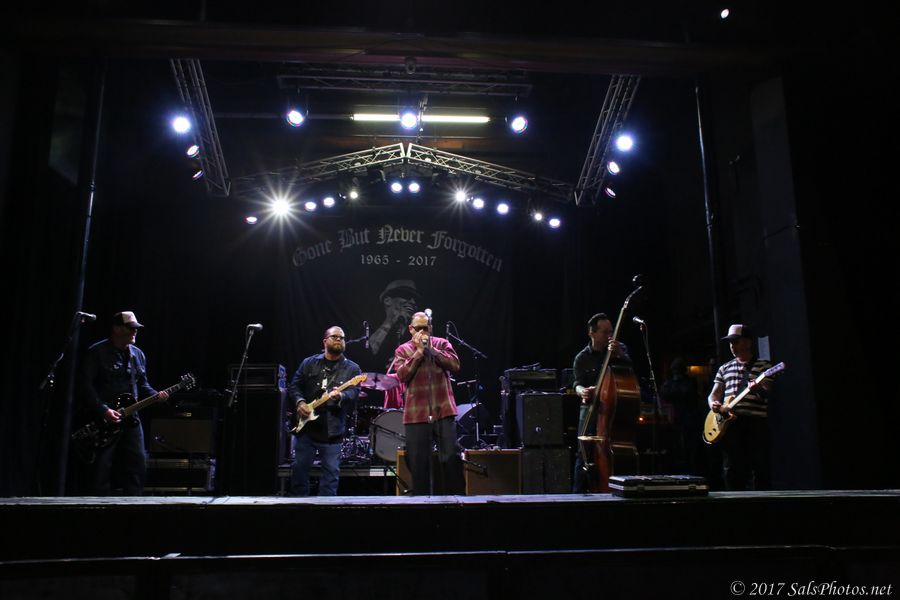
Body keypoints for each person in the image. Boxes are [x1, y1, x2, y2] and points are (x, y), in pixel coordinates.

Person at [79, 311, 168, 495]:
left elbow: (143, 384)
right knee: (101, 469)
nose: (135, 332)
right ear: (117, 329)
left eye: (136, 328)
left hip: (131, 418)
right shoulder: (97, 352)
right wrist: (104, 410)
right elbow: (85, 386)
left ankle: (134, 506)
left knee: (137, 465)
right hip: (105, 420)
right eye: (131, 328)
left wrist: (157, 395)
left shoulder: (138, 355)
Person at [392, 311, 464, 495]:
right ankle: (421, 501)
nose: (422, 332)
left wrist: (432, 350)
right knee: (418, 462)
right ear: (411, 329)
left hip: (443, 409)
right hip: (416, 413)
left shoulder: (442, 343)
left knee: (451, 456)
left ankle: (458, 499)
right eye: (418, 328)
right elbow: (402, 375)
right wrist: (418, 353)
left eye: (425, 328)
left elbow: (455, 365)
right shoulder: (402, 350)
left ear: (430, 328)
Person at [288, 326, 362, 496]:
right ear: (325, 341)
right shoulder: (309, 363)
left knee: (330, 479)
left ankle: (326, 510)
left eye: (342, 338)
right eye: (335, 337)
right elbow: (295, 386)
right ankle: (298, 507)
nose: (339, 340)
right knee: (299, 473)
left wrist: (340, 396)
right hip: (306, 430)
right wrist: (300, 402)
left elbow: (354, 393)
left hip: (332, 432)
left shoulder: (352, 369)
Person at [707, 324, 774, 491]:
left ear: (748, 343)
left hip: (755, 422)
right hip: (731, 425)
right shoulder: (724, 368)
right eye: (730, 342)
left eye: (736, 341)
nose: (732, 346)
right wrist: (713, 404)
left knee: (759, 467)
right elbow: (714, 395)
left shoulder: (763, 366)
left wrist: (758, 389)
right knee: (732, 469)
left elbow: (767, 392)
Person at [571, 313, 630, 493]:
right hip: (590, 410)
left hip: (612, 411)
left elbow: (630, 370)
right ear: (592, 333)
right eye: (605, 332)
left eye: (611, 331)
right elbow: (577, 383)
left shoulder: (619, 349)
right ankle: (577, 496)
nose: (610, 336)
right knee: (583, 454)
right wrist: (582, 390)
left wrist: (620, 354)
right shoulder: (581, 358)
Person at [659, 357, 702, 474]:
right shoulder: (669, 383)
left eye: (678, 370)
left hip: (688, 417)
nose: (676, 372)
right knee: (674, 446)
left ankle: (689, 469)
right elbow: (664, 394)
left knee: (689, 446)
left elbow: (690, 395)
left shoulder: (689, 382)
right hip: (673, 418)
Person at [367, 280, 420, 370]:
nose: (413, 302)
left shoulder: (417, 334)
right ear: (387, 301)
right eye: (406, 296)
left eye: (415, 299)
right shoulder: (368, 326)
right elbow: (368, 351)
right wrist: (391, 321)